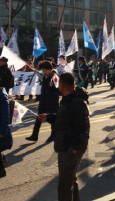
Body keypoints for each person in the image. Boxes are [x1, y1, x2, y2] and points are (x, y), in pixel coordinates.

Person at [38, 73, 90, 201]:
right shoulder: (69, 99)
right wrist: (49, 117)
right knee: (70, 179)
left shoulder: (76, 102)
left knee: (65, 183)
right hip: (66, 144)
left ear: (61, 85)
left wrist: (75, 147)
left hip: (70, 146)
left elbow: (82, 126)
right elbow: (65, 119)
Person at [26, 61, 59, 142]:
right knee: (39, 118)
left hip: (52, 102)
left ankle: (53, 135)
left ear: (49, 69)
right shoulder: (44, 76)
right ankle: (34, 135)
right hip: (43, 101)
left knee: (52, 119)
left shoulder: (55, 77)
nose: (43, 72)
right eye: (42, 70)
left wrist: (53, 87)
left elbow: (59, 90)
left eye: (44, 70)